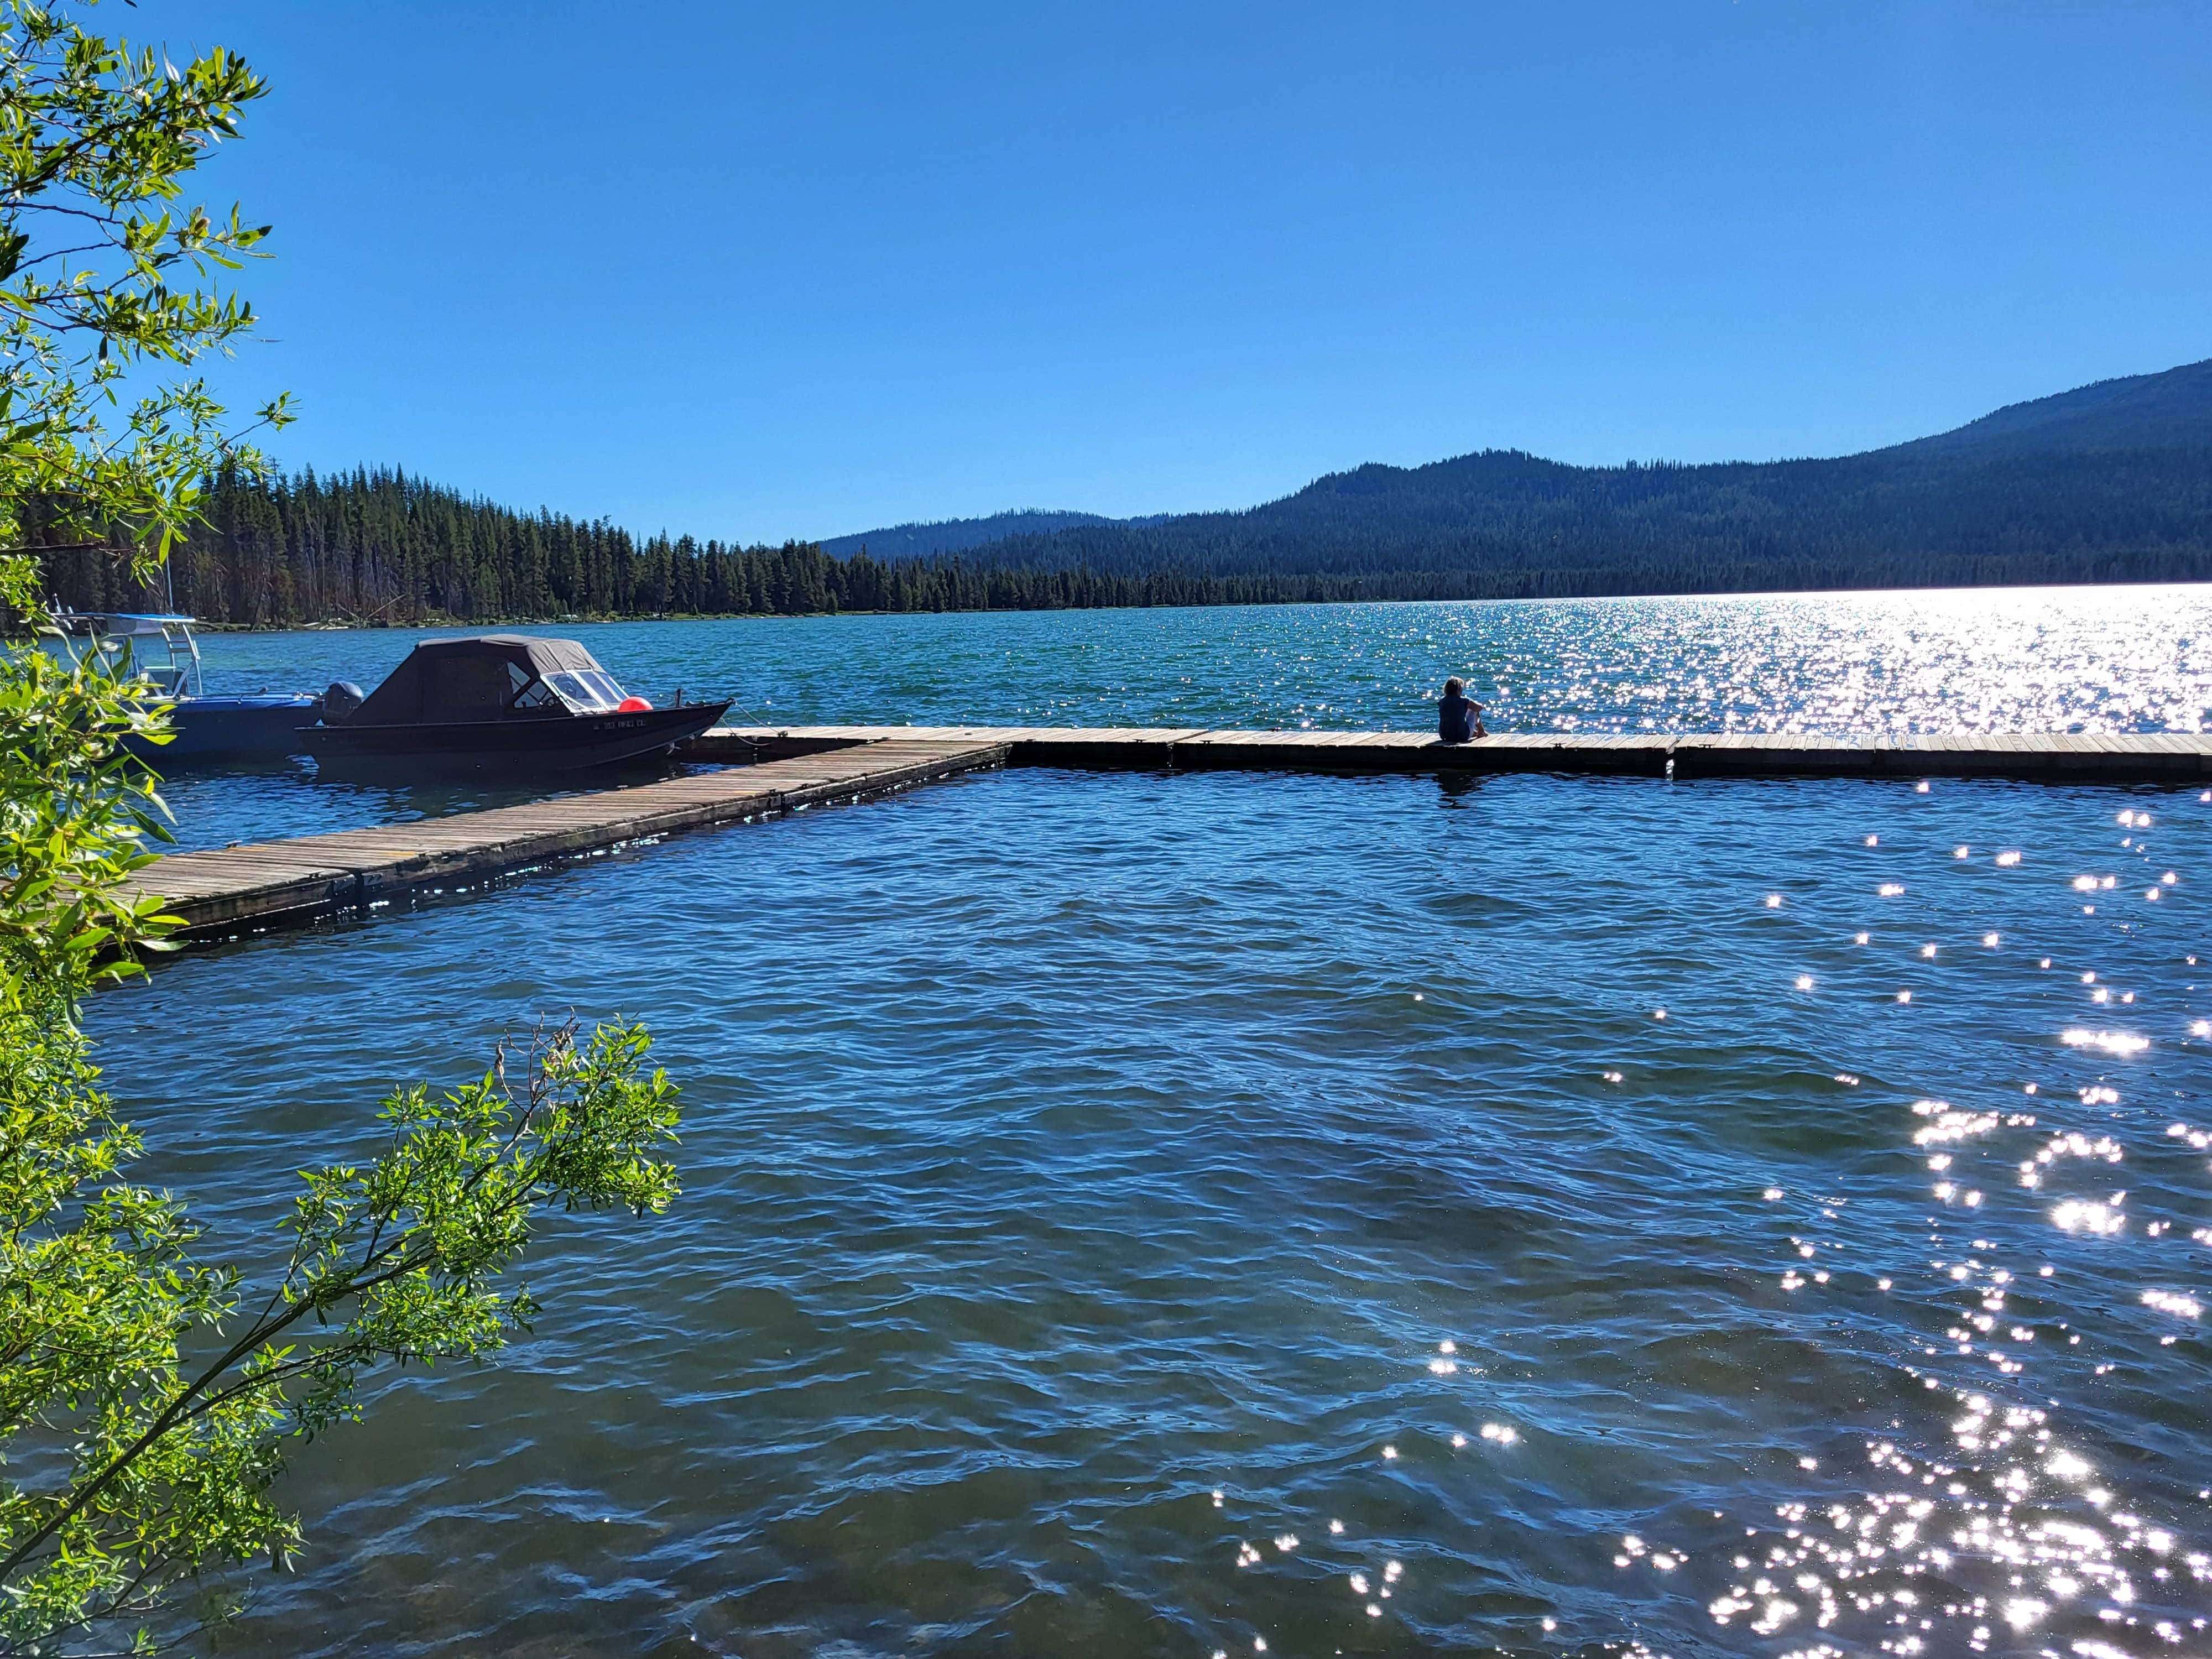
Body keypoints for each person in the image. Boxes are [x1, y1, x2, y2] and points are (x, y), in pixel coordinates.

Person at [1437, 676, 1486, 743]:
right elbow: (1479, 708)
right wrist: (1478, 703)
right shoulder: (1465, 701)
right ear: (1459, 690)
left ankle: (1473, 732)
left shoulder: (1442, 701)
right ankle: (1481, 731)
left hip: (1444, 736)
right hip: (1462, 736)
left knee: (1454, 714)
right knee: (1474, 710)